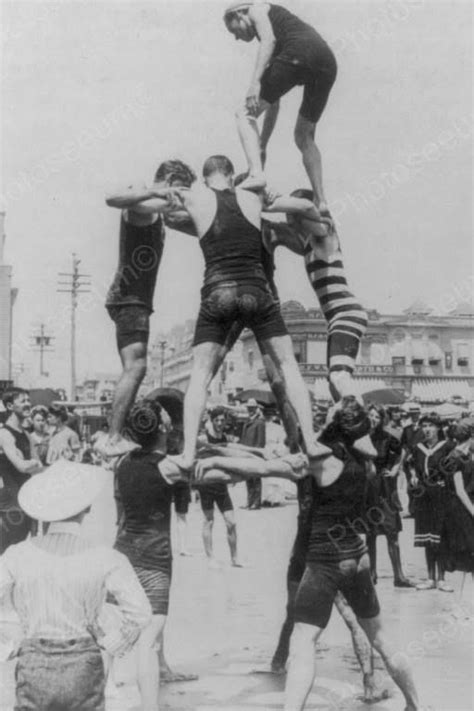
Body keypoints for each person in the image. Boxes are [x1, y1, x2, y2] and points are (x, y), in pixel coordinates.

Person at [196, 398, 422, 710]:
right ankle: (416, 704)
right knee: (381, 638)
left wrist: (214, 463)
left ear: (335, 423)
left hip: (325, 557)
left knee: (303, 642)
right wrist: (219, 454)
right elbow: (266, 457)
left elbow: (263, 467)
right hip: (357, 555)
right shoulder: (366, 458)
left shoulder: (322, 460)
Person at [161, 155, 330, 472]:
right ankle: (310, 439)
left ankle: (186, 454)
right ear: (230, 174)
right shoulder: (257, 202)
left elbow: (171, 218)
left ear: (207, 176)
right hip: (258, 294)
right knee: (288, 368)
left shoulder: (197, 200)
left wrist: (170, 201)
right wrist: (310, 219)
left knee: (200, 375)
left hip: (218, 293)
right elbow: (306, 236)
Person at [0, 461, 151, 711]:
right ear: (88, 507)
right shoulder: (106, 557)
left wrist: (9, 646)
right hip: (83, 661)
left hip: (33, 659)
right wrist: (110, 643)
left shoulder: (17, 555)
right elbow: (140, 613)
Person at [99, 159, 197, 457]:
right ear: (169, 180)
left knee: (135, 367)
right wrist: (160, 192)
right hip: (130, 298)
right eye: (183, 189)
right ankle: (113, 437)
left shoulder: (154, 210)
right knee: (137, 366)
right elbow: (112, 198)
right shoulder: (142, 202)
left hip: (132, 299)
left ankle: (116, 434)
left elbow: (192, 221)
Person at [113, 397, 197, 709]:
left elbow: (119, 515)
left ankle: (103, 697)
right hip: (156, 558)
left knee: (116, 634)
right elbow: (217, 470)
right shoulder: (168, 466)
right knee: (148, 637)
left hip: (122, 551)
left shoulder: (121, 463)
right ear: (162, 427)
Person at [223, 2, 337, 213]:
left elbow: (268, 39)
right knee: (304, 136)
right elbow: (273, 104)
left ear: (239, 14)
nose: (237, 37)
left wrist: (255, 82)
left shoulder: (256, 8)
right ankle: (321, 202)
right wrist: (263, 145)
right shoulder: (281, 35)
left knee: (243, 113)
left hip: (300, 51)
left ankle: (256, 174)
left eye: (233, 30)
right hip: (326, 61)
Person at [365, 405, 414, 587]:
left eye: (376, 416)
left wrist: (395, 469)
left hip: (385, 488)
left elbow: (403, 450)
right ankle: (372, 574)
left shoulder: (388, 437)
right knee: (370, 533)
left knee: (391, 531)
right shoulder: (361, 438)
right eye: (370, 415)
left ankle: (398, 575)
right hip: (368, 488)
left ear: (382, 418)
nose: (373, 419)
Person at [410, 413, 454, 592]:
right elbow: (411, 464)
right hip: (423, 497)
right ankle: (430, 578)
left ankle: (442, 579)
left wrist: (447, 481)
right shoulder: (418, 448)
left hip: (441, 497)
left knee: (440, 537)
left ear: (438, 428)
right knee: (427, 537)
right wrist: (413, 475)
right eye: (424, 426)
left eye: (430, 426)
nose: (427, 429)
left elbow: (454, 468)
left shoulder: (448, 447)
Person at [196, 407, 241, 567]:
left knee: (231, 523)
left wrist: (232, 474)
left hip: (221, 486)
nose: (221, 423)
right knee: (208, 521)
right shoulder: (203, 438)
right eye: (218, 420)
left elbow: (229, 458)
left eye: (223, 420)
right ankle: (210, 558)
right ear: (212, 420)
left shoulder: (225, 438)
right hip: (206, 486)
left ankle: (234, 558)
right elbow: (195, 459)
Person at [0, 388, 42, 553]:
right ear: (10, 405)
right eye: (23, 401)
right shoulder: (4, 434)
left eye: (28, 400)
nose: (28, 404)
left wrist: (32, 463)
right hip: (10, 502)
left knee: (21, 546)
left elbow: (36, 465)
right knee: (6, 548)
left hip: (25, 498)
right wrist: (33, 463)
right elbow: (22, 466)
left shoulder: (25, 434)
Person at [438, 419, 474, 579]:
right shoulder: (454, 458)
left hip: (465, 506)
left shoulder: (466, 455)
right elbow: (460, 490)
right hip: (459, 508)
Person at [240, 398, 266, 509]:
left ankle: (256, 502)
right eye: (248, 408)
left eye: (252, 408)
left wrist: (257, 454)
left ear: (256, 409)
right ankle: (249, 501)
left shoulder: (259, 422)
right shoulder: (247, 421)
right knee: (248, 477)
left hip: (254, 454)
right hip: (246, 453)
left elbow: (261, 441)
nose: (250, 410)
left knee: (255, 478)